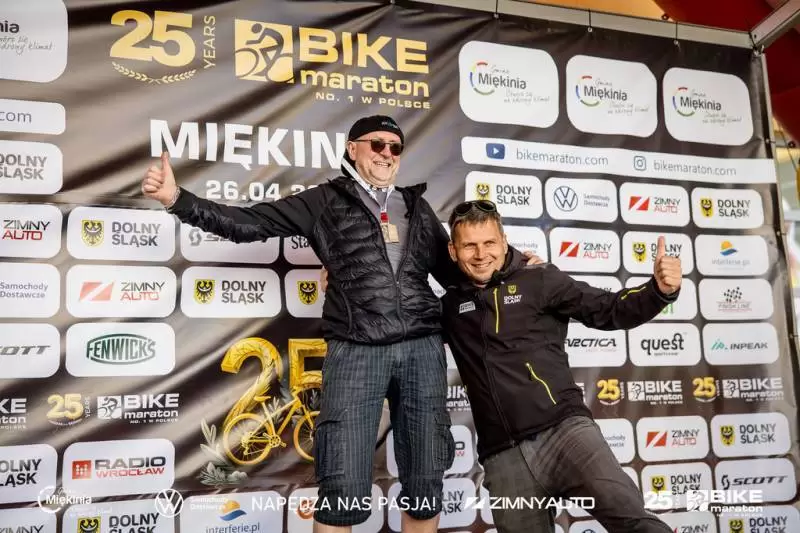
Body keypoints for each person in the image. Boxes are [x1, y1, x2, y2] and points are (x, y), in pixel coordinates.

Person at [141, 115, 458, 533]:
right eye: (377, 144)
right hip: (356, 350)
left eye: (395, 147)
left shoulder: (416, 207)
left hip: (422, 351)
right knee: (341, 486)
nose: (387, 153)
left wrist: (514, 266)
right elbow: (247, 224)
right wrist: (176, 199)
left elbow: (457, 274)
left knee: (425, 482)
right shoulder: (323, 201)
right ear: (352, 149)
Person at [440, 200, 679, 533]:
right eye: (469, 246)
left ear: (504, 242)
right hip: (503, 455)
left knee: (634, 522)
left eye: (489, 242)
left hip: (564, 432)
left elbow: (607, 309)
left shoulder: (538, 278)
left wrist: (659, 292)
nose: (481, 254)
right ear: (453, 251)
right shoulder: (449, 307)